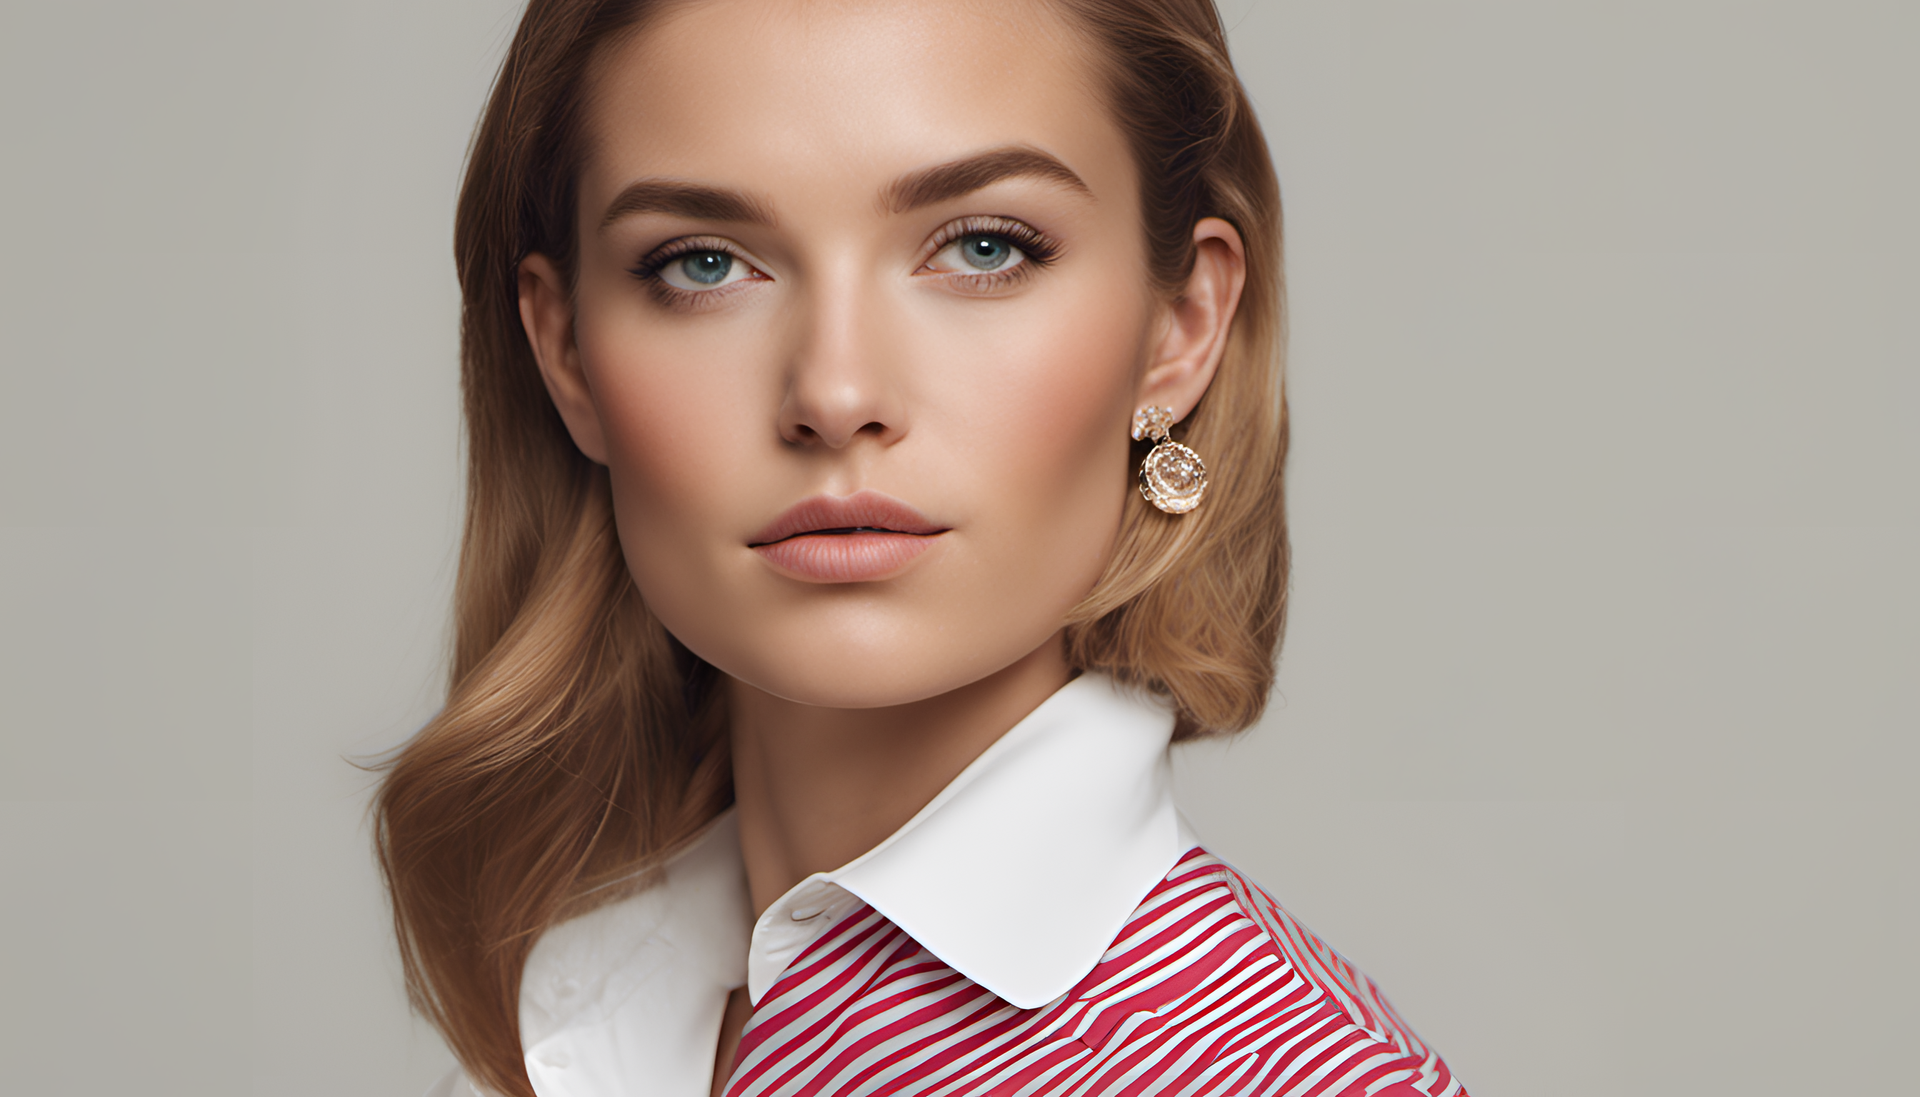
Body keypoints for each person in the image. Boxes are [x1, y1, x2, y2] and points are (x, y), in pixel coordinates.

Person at [376, 1, 1467, 1095]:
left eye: (983, 247)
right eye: (705, 263)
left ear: (1180, 326)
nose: (836, 393)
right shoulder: (593, 1007)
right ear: (566, 353)